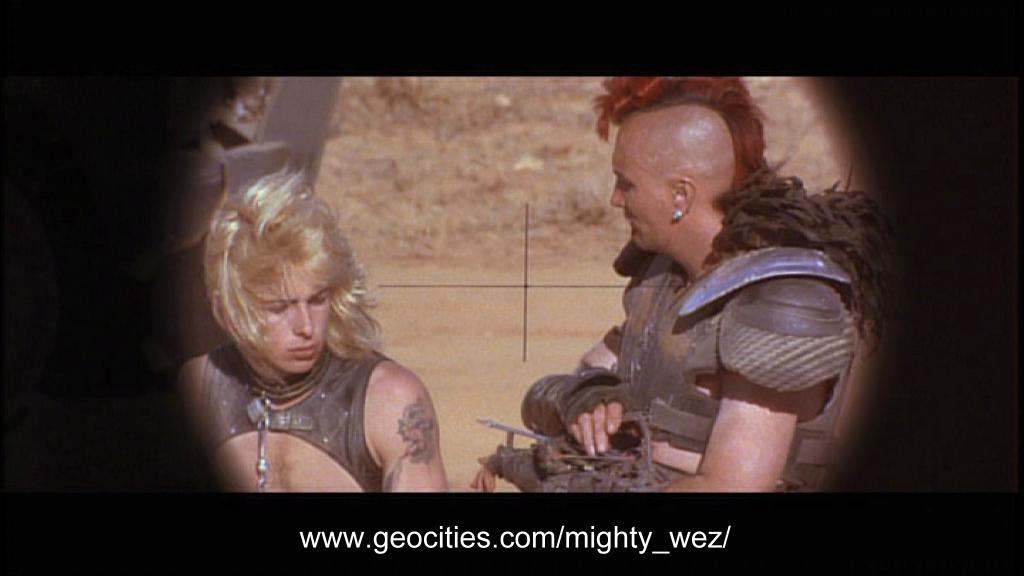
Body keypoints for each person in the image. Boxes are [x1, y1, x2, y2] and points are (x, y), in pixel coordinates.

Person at [475, 77, 891, 492]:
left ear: (681, 195)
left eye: (626, 183)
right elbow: (572, 380)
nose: (615, 199)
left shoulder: (778, 300)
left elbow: (732, 488)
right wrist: (587, 396)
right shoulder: (664, 276)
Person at [179, 169, 447, 492]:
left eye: (317, 300)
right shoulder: (197, 391)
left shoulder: (390, 401)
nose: (306, 327)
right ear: (228, 310)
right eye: (279, 308)